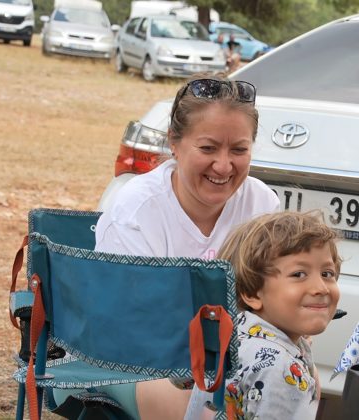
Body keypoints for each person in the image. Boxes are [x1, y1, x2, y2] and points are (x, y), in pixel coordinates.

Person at [85, 74, 280, 419]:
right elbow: (131, 324)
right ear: (174, 143)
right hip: (133, 359)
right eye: (207, 148)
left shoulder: (261, 203)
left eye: (239, 149)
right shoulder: (138, 209)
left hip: (225, 358)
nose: (223, 165)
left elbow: (276, 300)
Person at [190, 211, 341, 419]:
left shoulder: (229, 336)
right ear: (252, 293)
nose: (321, 288)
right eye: (298, 274)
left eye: (327, 274)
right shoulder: (281, 369)